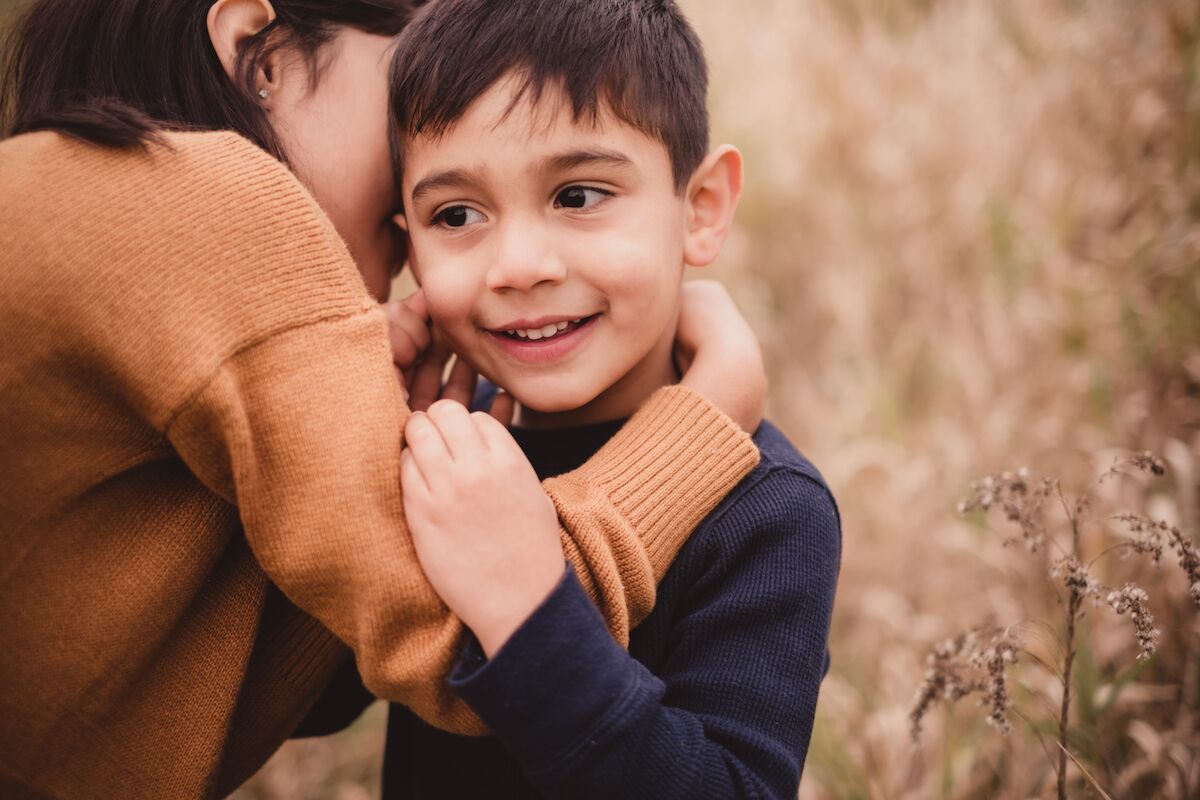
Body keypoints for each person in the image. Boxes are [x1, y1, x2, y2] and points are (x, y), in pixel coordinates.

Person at [0, 0, 771, 796]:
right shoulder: (209, 200)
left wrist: (371, 460)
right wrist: (709, 414)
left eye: (577, 196)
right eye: (405, 71)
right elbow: (476, 630)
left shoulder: (57, 184)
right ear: (257, 52)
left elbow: (236, 678)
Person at [343, 0, 841, 796]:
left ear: (700, 208)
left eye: (577, 196)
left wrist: (527, 606)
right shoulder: (444, 452)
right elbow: (317, 700)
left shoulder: (766, 511)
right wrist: (357, 437)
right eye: (457, 214)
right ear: (410, 246)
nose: (519, 266)